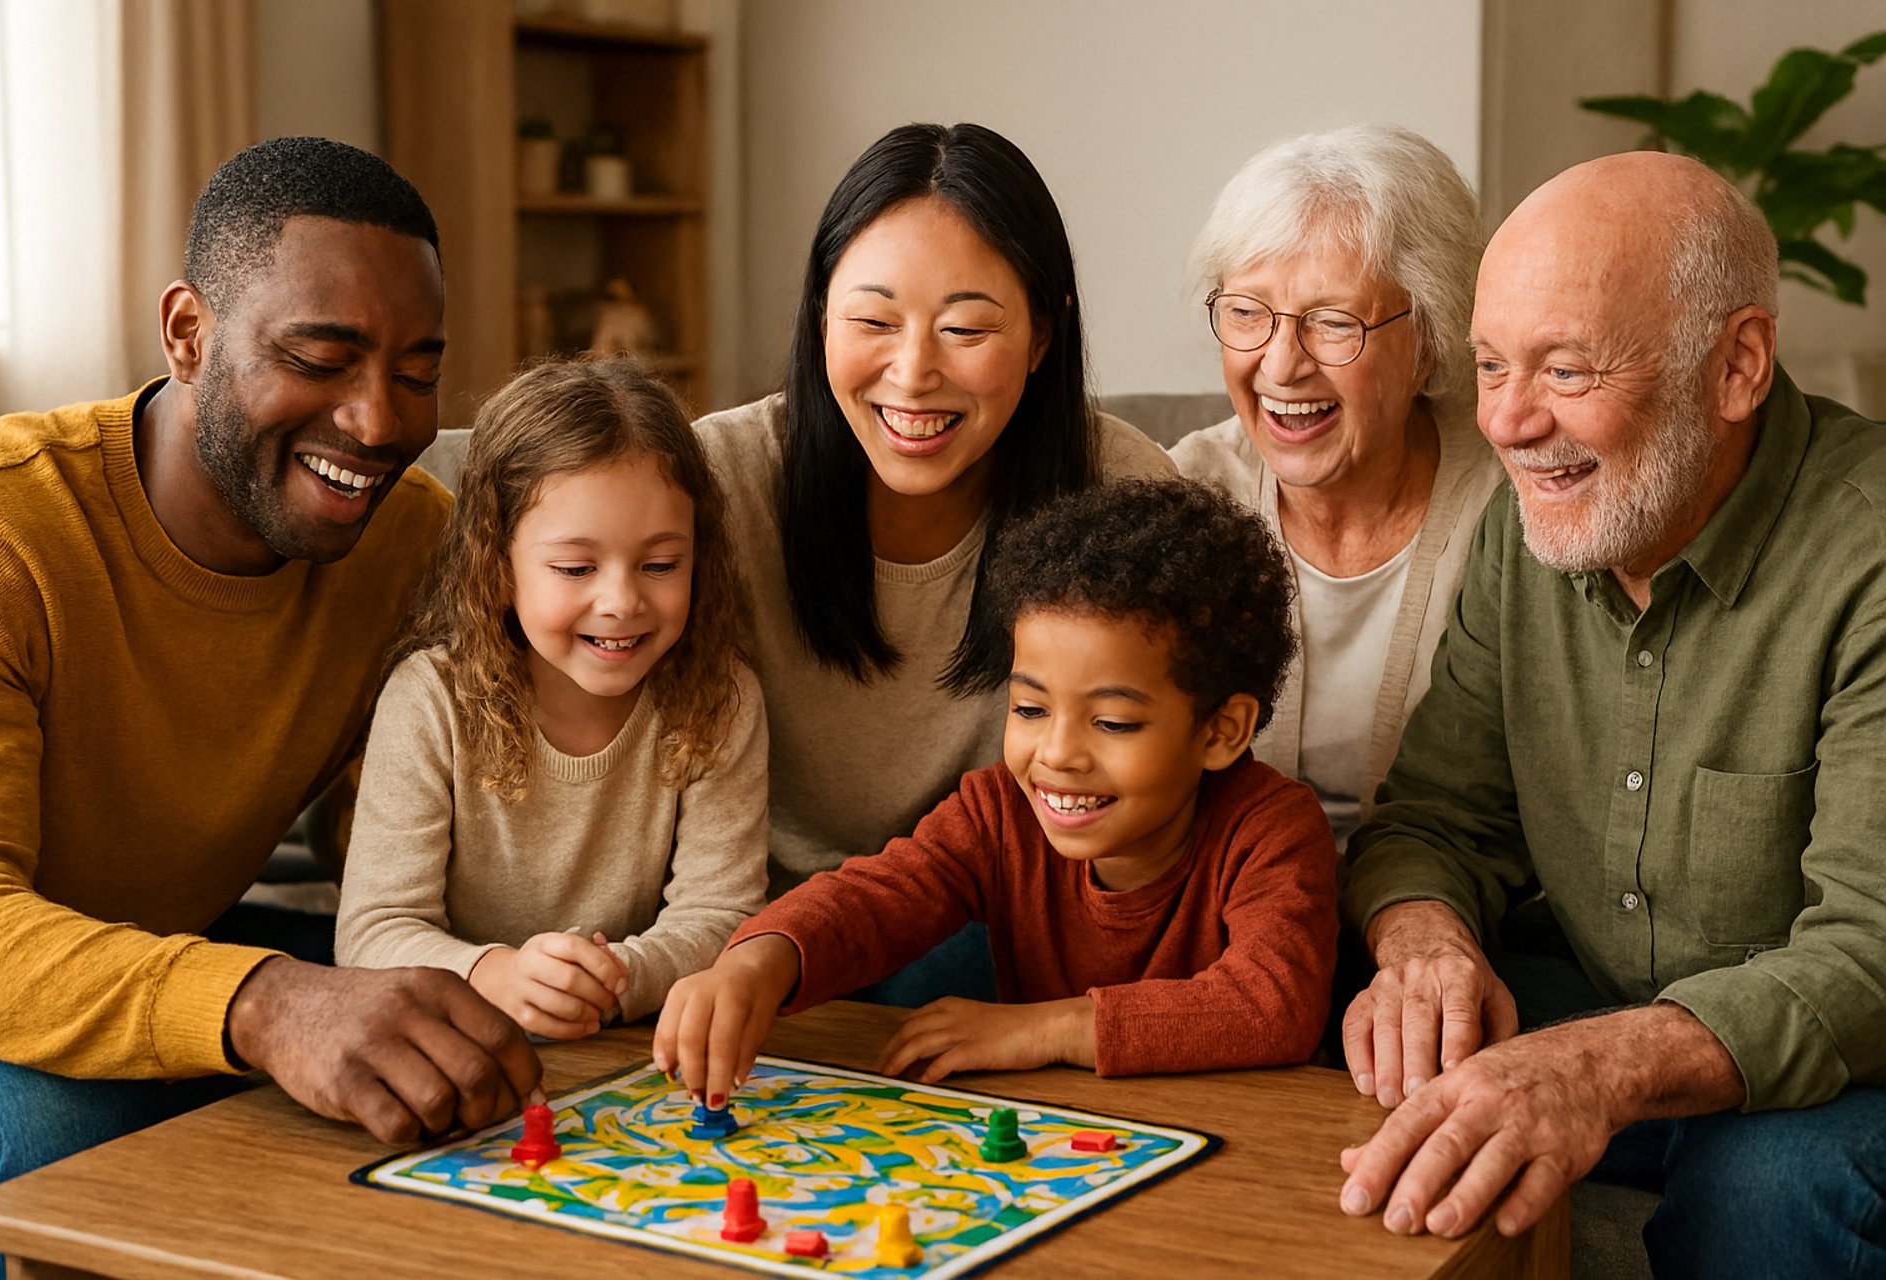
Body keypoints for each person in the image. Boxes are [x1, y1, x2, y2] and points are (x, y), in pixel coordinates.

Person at [0, 137, 539, 1276]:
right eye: (322, 356)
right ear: (188, 333)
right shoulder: (3, 535)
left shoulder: (411, 541)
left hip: (167, 955)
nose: (379, 421)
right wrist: (268, 1005)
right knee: (52, 1135)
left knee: (461, 1033)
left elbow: (391, 837)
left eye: (418, 370)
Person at [1335, 151, 1886, 1279]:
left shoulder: (1869, 548)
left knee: (1765, 1192)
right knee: (1331, 1021)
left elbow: (1870, 951)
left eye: (1567, 367)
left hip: (1849, 1058)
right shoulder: (1530, 525)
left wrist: (1595, 1069)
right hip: (1598, 991)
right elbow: (1436, 817)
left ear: (1738, 364)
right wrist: (1425, 945)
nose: (1510, 420)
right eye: (1491, 365)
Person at [652, 477, 1338, 1104]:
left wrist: (1042, 1031)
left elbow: (1273, 1004)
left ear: (1222, 731)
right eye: (1031, 709)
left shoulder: (1272, 828)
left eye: (1113, 722)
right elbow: (876, 899)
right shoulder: (997, 814)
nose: (1058, 754)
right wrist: (756, 961)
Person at [694, 122, 1175, 1005]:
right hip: (743, 937)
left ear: (1040, 335)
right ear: (818, 317)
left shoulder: (1123, 493)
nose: (912, 374)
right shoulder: (713, 485)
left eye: (964, 329)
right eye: (873, 321)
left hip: (991, 943)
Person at [335, 358, 768, 1029]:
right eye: (574, 568)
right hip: (468, 1032)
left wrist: (617, 977)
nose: (622, 601)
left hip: (634, 1042)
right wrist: (496, 976)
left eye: (661, 565)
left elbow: (723, 916)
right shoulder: (429, 701)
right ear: (498, 564)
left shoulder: (720, 696)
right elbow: (373, 933)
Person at [1171, 125, 1502, 848]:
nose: (1281, 365)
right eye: (1248, 314)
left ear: (1431, 339)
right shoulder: (1180, 500)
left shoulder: (1514, 507)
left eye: (1331, 322)